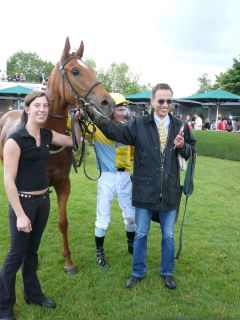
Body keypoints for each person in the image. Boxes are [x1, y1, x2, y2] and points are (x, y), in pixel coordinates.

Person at [94, 83, 196, 289]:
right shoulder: (138, 124)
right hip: (143, 191)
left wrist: (182, 146)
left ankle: (167, 272)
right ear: (152, 102)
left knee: (168, 235)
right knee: (140, 234)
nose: (165, 105)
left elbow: (192, 152)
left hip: (169, 191)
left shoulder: (180, 126)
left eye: (169, 101)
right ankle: (138, 272)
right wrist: (93, 114)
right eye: (161, 101)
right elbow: (115, 131)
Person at [0, 91, 80, 320]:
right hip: (23, 204)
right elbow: (8, 180)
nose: (42, 109)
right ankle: (4, 307)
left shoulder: (46, 134)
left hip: (42, 202)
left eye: (45, 106)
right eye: (37, 106)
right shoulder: (15, 140)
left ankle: (33, 294)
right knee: (15, 256)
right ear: (27, 109)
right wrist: (20, 214)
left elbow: (73, 142)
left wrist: (75, 120)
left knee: (32, 253)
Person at [88, 92, 135, 269]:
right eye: (119, 109)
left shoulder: (129, 129)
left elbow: (133, 154)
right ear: (110, 109)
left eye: (124, 109)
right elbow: (70, 124)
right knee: (103, 218)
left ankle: (131, 244)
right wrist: (77, 117)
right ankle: (99, 253)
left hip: (125, 177)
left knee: (131, 216)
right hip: (106, 178)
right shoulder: (96, 129)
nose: (123, 113)